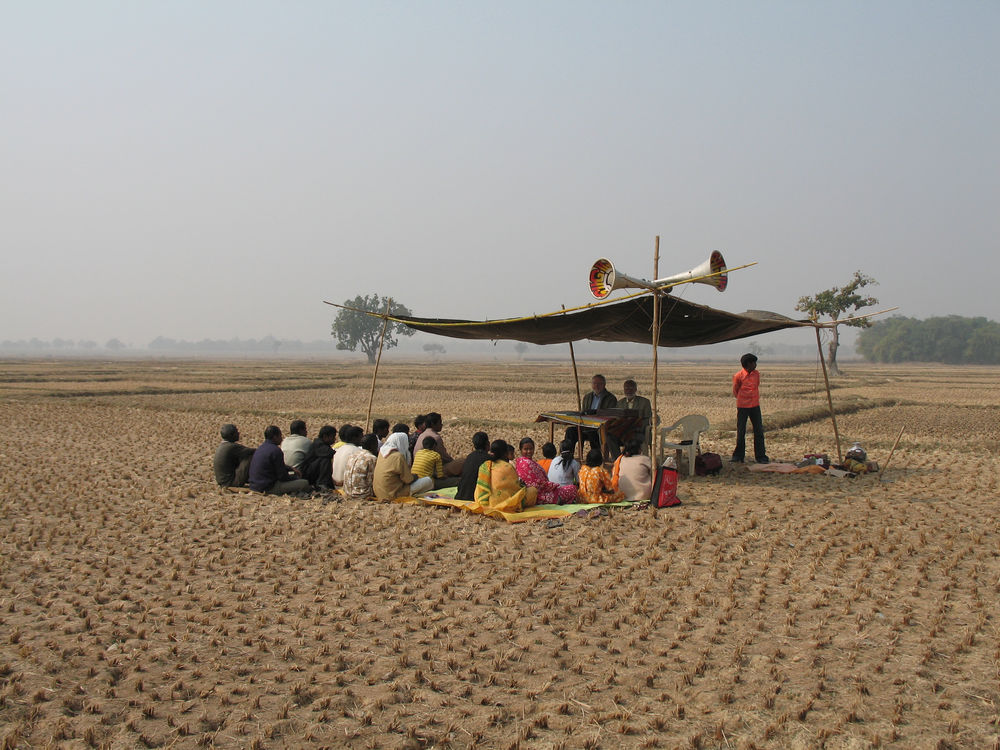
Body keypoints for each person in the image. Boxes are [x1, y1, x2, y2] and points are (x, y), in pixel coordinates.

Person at [474, 440, 537, 512]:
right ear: (505, 453)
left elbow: (480, 487)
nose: (529, 451)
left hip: (484, 502)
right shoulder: (508, 467)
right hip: (503, 503)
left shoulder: (485, 465)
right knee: (533, 491)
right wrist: (523, 486)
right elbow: (516, 489)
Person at [248, 426, 311, 495]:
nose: (281, 439)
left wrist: (290, 468)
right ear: (275, 437)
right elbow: (282, 477)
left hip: (254, 486)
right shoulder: (276, 451)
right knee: (304, 483)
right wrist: (295, 478)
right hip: (268, 488)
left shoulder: (260, 448)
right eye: (280, 436)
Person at [514, 437, 577, 505]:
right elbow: (538, 484)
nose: (529, 451)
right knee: (573, 488)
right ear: (520, 450)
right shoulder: (527, 463)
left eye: (531, 449)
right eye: (526, 449)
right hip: (541, 495)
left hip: (535, 494)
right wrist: (553, 486)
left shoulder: (520, 462)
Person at [731, 353, 769, 464]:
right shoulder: (738, 376)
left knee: (759, 431)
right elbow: (735, 390)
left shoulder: (756, 374)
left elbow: (756, 385)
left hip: (755, 405)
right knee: (741, 431)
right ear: (748, 364)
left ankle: (761, 456)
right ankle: (738, 456)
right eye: (753, 363)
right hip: (743, 406)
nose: (755, 365)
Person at [565, 374, 617, 452]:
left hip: (600, 429)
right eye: (594, 383)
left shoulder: (610, 398)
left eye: (599, 384)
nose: (597, 386)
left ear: (604, 385)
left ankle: (596, 458)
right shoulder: (587, 397)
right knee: (570, 431)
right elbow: (583, 412)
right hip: (585, 426)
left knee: (592, 434)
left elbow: (610, 414)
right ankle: (567, 457)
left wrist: (596, 413)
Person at [373, 432, 433, 499]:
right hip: (392, 494)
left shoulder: (382, 453)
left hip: (379, 493)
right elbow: (408, 480)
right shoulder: (398, 456)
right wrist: (415, 476)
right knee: (428, 481)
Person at [213, 423, 255, 487]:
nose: (238, 433)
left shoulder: (222, 446)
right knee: (249, 456)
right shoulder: (231, 447)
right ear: (232, 435)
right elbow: (252, 451)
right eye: (236, 432)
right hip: (230, 483)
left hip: (223, 481)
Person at [618, 379, 653, 453]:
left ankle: (630, 458)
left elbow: (648, 419)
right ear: (624, 390)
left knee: (631, 436)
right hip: (623, 432)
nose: (629, 391)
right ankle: (618, 459)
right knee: (609, 437)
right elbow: (617, 418)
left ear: (635, 389)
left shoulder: (644, 402)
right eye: (626, 388)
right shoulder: (620, 403)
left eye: (631, 388)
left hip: (639, 432)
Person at [342, 433, 379, 501]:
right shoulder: (371, 459)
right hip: (362, 495)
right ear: (373, 445)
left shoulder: (353, 455)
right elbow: (371, 481)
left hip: (347, 492)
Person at [299, 425, 337, 490]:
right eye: (332, 437)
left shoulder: (323, 444)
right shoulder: (319, 444)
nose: (334, 439)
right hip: (307, 473)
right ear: (325, 436)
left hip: (312, 471)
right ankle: (322, 483)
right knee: (325, 460)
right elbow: (330, 453)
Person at [456, 431, 491, 501]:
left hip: (461, 496)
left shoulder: (470, 457)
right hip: (475, 497)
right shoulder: (488, 459)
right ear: (488, 444)